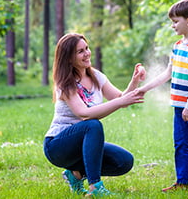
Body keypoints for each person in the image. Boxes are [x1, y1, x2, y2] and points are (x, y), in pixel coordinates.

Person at [43, 33, 146, 197]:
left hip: (81, 144)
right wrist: (121, 102)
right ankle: (95, 187)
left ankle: (75, 174)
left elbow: (119, 98)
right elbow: (84, 114)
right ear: (69, 58)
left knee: (124, 161)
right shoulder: (66, 83)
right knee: (92, 125)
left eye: (87, 48)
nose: (87, 54)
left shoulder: (96, 76)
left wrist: (134, 82)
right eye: (80, 52)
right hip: (58, 146)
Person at [138, 0, 188, 195]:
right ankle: (184, 181)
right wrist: (145, 88)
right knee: (181, 144)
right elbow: (167, 74)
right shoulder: (178, 45)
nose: (172, 26)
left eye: (175, 21)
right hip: (179, 105)